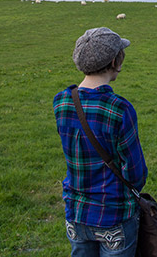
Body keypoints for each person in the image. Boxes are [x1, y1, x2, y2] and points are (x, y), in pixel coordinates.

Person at [54, 27, 147, 257]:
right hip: (113, 215)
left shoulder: (61, 102)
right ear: (115, 60)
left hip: (75, 212)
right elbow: (136, 173)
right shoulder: (120, 108)